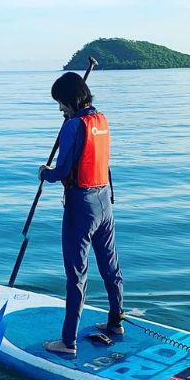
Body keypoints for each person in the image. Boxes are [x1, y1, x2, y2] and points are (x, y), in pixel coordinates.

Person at [38, 72, 124, 356]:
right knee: (110, 267)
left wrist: (45, 173)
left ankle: (68, 342)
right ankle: (115, 323)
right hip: (105, 201)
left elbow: (61, 171)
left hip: (81, 206)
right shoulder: (101, 120)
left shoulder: (73, 127)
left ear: (71, 100)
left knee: (76, 274)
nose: (59, 109)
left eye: (61, 102)